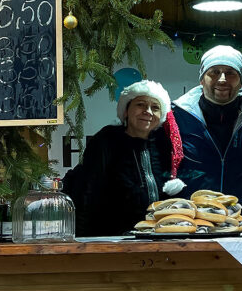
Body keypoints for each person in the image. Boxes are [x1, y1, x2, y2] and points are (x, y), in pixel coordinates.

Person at [61, 80, 181, 236]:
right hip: (110, 240)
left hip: (154, 238)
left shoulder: (163, 145)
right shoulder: (106, 140)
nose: (148, 112)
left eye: (155, 108)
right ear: (126, 111)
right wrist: (83, 242)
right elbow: (87, 191)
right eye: (141, 105)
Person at [172, 45, 242, 219]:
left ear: (240, 81)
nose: (222, 79)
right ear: (201, 79)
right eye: (214, 72)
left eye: (230, 73)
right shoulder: (178, 116)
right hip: (192, 223)